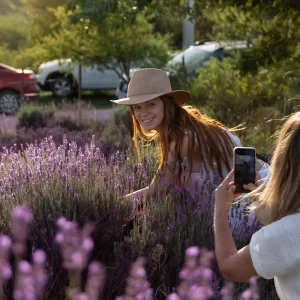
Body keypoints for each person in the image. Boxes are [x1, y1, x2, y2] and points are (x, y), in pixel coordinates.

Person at [111, 68, 242, 203]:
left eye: (151, 104)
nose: (143, 113)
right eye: (137, 107)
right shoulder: (187, 126)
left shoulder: (184, 138)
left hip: (239, 211)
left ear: (167, 104)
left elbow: (158, 189)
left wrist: (114, 205)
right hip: (234, 206)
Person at [214, 111, 300, 299]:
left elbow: (230, 268)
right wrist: (274, 213)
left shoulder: (282, 235)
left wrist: (220, 212)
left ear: (283, 165)